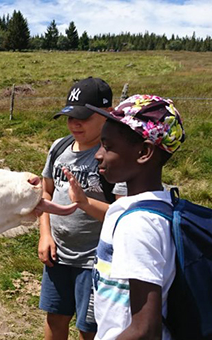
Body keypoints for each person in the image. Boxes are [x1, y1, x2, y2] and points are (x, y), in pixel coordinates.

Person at [70, 94, 185, 339]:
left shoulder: (138, 224)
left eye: (108, 147)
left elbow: (145, 330)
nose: (98, 155)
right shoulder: (156, 205)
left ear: (144, 152)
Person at [38, 77, 127, 340]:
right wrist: (45, 234)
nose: (75, 123)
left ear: (108, 114)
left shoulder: (113, 156)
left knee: (91, 328)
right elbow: (46, 192)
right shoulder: (59, 147)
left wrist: (85, 203)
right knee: (55, 316)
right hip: (58, 254)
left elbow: (122, 214)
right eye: (69, 116)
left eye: (84, 117)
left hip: (95, 260)